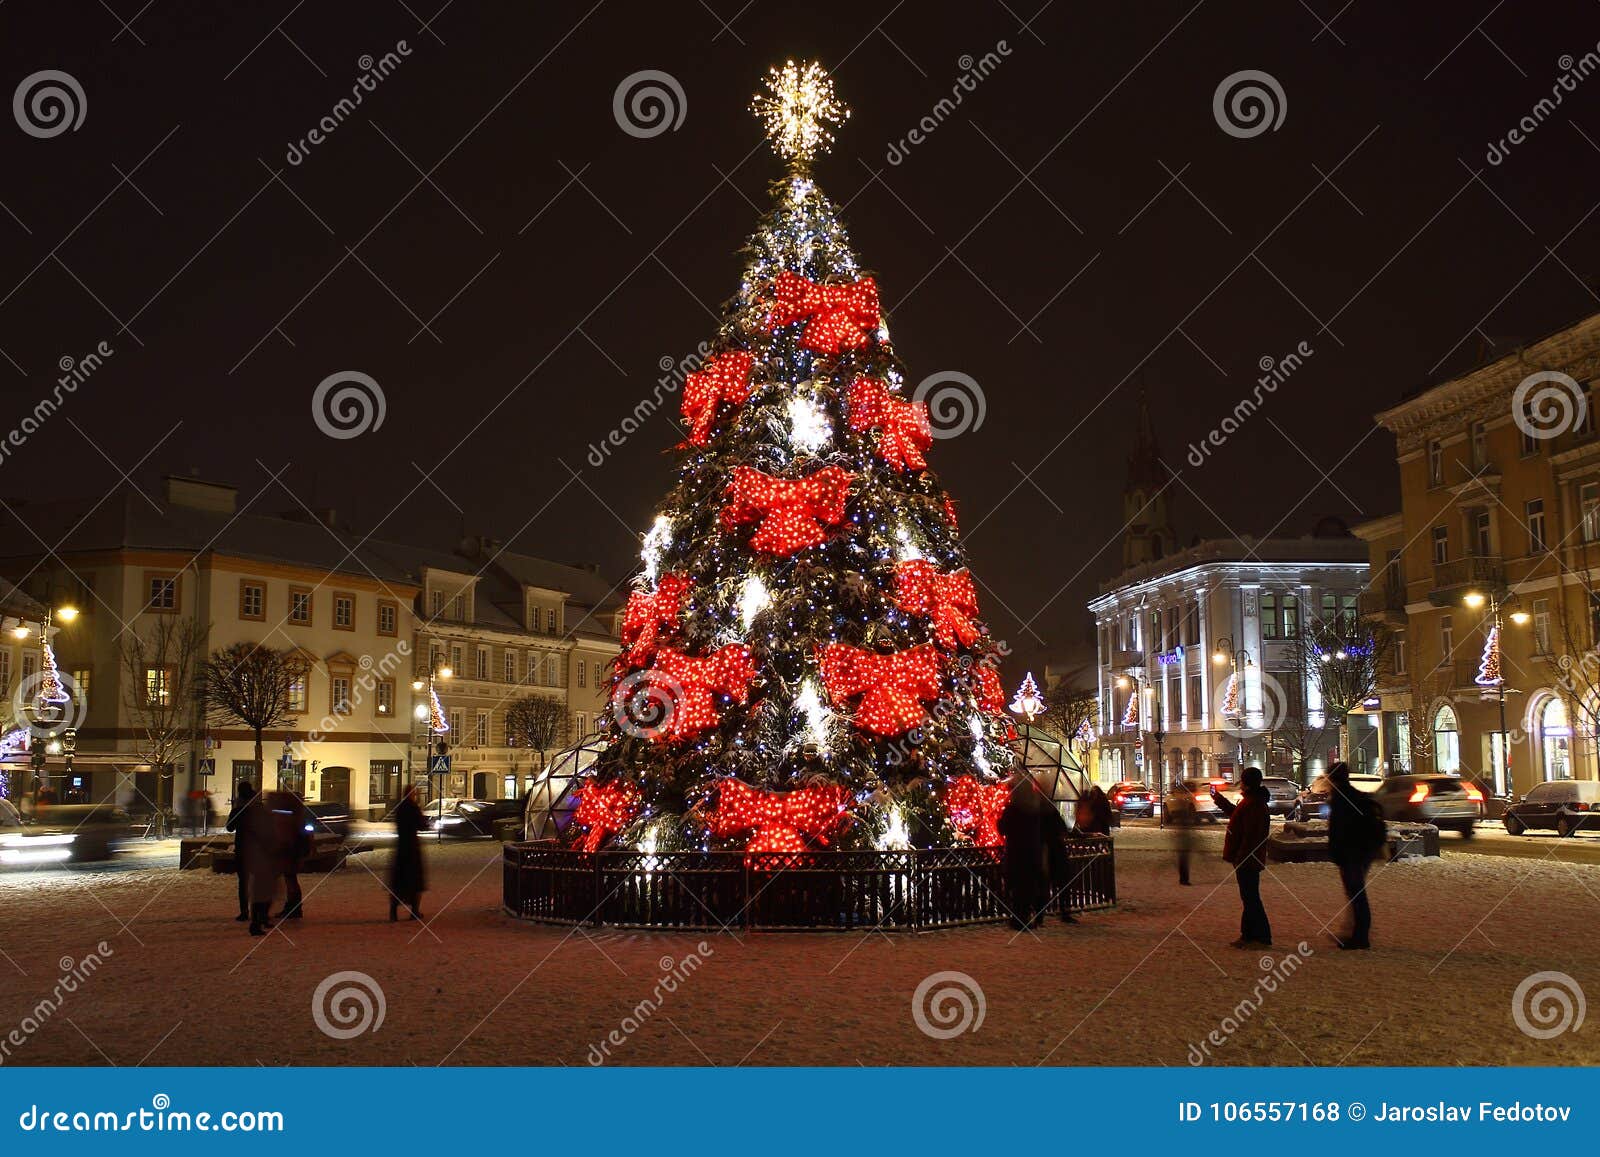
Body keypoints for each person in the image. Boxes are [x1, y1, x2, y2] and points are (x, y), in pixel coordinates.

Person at [1213, 767, 1271, 948]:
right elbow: (1236, 815)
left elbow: (1251, 836)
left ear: (1247, 782)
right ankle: (1249, 935)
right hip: (1247, 858)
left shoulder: (1254, 804)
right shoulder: (1251, 801)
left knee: (1251, 898)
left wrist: (1241, 857)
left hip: (1247, 860)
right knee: (1249, 897)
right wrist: (1218, 799)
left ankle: (1260, 936)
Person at [1326, 761, 1381, 950]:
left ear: (1332, 778)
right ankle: (1355, 932)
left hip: (1352, 853)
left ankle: (1360, 937)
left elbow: (1340, 830)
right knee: (1356, 894)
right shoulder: (1351, 795)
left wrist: (1337, 853)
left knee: (1356, 894)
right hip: (1361, 851)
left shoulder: (1341, 799)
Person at [998, 774, 1046, 929]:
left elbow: (1002, 828)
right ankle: (1026, 916)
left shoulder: (1013, 808)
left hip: (1016, 853)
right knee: (1028, 887)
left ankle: (1019, 919)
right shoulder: (1034, 807)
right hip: (1032, 852)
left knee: (1018, 888)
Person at [239, 790, 282, 936]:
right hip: (262, 859)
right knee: (262, 892)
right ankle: (257, 922)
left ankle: (259, 919)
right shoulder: (260, 814)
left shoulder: (260, 813)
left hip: (262, 858)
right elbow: (265, 836)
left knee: (266, 891)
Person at [1039, 789, 1079, 924]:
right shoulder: (1051, 813)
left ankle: (1041, 916)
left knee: (1046, 886)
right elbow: (1062, 828)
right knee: (1060, 885)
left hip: (1047, 852)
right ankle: (1063, 912)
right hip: (1054, 852)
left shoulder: (1039, 814)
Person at [390, 785, 427, 921]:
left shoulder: (399, 808)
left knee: (399, 882)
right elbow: (422, 825)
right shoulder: (413, 807)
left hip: (401, 847)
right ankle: (414, 911)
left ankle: (393, 912)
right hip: (412, 848)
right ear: (412, 794)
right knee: (415, 881)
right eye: (414, 794)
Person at [225, 781, 256, 922]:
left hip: (243, 848)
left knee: (243, 882)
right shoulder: (258, 808)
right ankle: (260, 912)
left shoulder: (238, 810)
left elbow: (230, 827)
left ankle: (244, 912)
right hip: (259, 849)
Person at [277, 801, 310, 921]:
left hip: (291, 855)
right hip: (293, 855)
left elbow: (291, 839)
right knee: (291, 881)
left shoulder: (293, 821)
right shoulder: (298, 819)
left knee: (291, 881)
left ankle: (293, 908)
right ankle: (294, 907)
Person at [1167, 779, 1198, 885]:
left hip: (1183, 836)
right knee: (1183, 859)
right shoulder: (1185, 799)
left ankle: (1184, 878)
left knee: (1183, 859)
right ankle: (1184, 879)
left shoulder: (1179, 797)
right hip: (1183, 836)